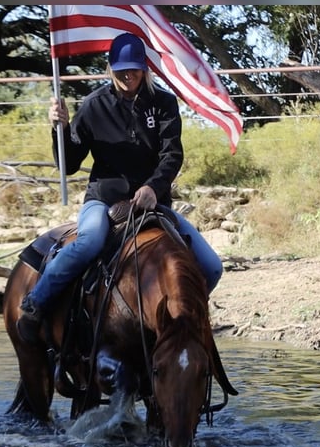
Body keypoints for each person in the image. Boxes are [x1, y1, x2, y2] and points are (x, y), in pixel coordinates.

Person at [17, 32, 223, 344]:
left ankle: (180, 326)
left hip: (153, 204)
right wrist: (58, 128)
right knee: (89, 242)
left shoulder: (164, 103)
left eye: (134, 69)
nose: (129, 75)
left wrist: (154, 187)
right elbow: (69, 164)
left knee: (211, 267)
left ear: (145, 69)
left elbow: (172, 154)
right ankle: (37, 302)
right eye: (121, 69)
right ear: (111, 69)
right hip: (103, 200)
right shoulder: (93, 105)